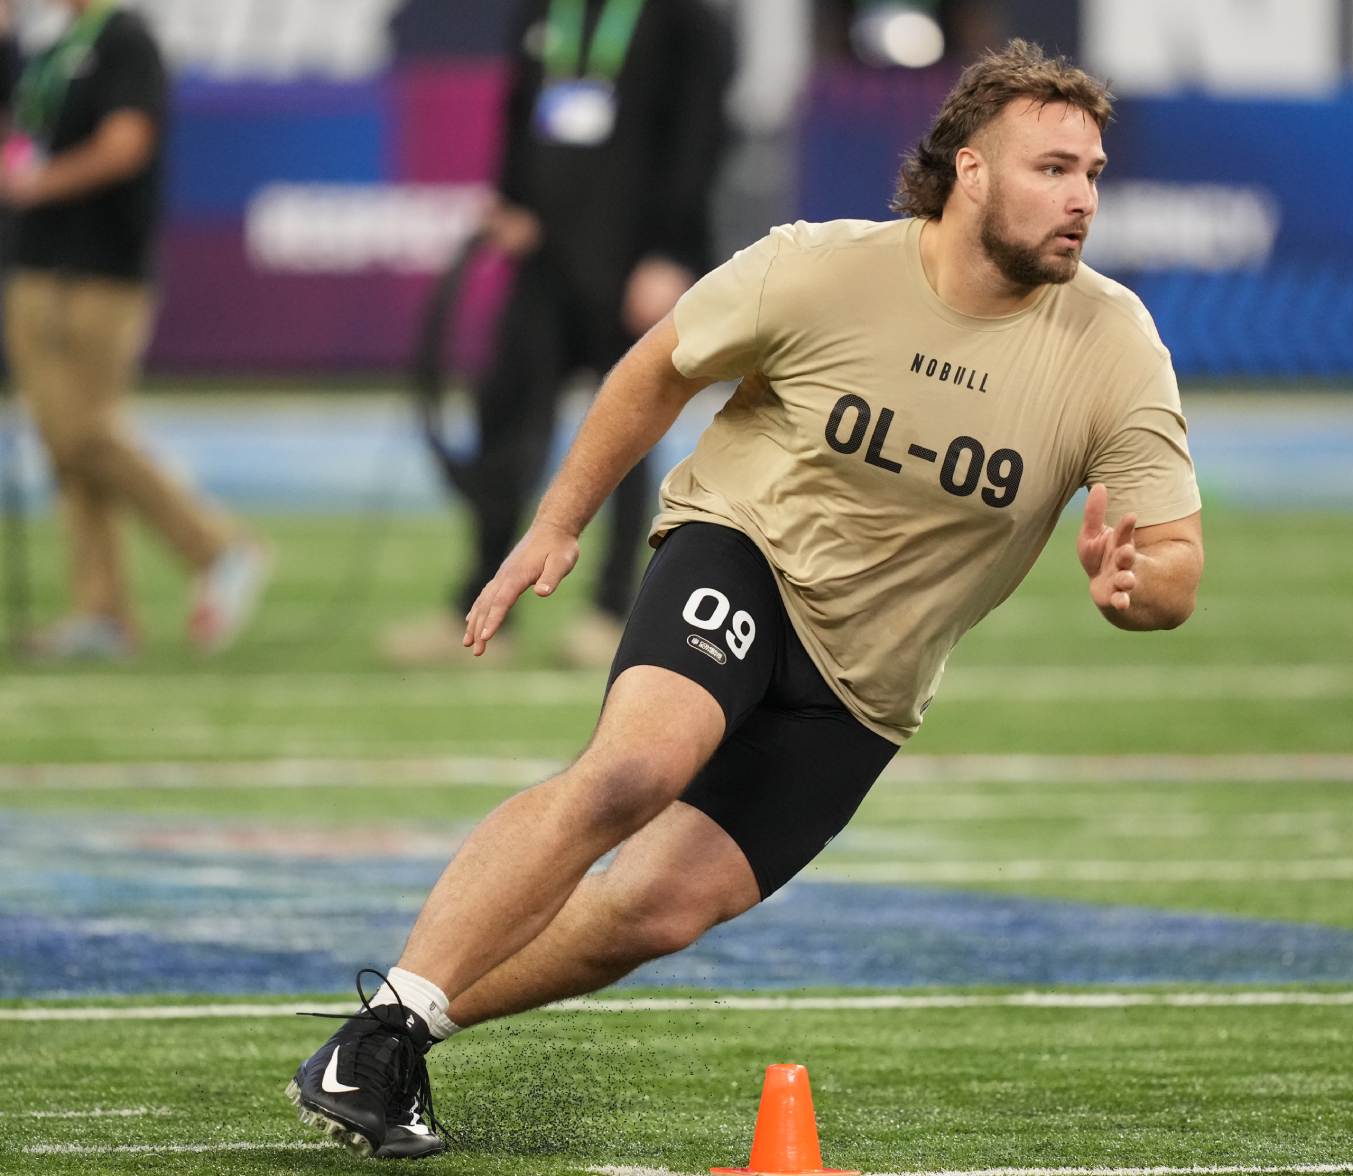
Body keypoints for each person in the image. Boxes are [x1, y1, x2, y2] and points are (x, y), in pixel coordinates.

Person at [290, 40, 1203, 1161]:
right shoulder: (821, 267)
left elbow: (1171, 561)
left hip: (869, 682)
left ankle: (391, 1033)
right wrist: (557, 521)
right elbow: (658, 366)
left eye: (1092, 174)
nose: (1079, 200)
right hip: (747, 556)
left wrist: (1136, 592)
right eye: (1051, 169)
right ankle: (387, 1032)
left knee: (653, 912)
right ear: (968, 170)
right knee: (634, 768)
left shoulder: (1111, 342)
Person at [385, 0, 733, 668]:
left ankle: (612, 611)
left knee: (628, 434)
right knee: (503, 424)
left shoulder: (687, 16)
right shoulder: (547, 7)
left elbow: (701, 135)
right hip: (544, 259)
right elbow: (521, 107)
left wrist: (671, 253)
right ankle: (481, 611)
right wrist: (510, 198)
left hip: (630, 263)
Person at [0, 0, 268, 659]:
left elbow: (126, 145)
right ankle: (104, 612)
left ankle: (219, 548)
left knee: (84, 431)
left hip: (101, 270)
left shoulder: (125, 38)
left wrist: (38, 184)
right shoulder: (45, 44)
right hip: (35, 265)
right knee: (64, 447)